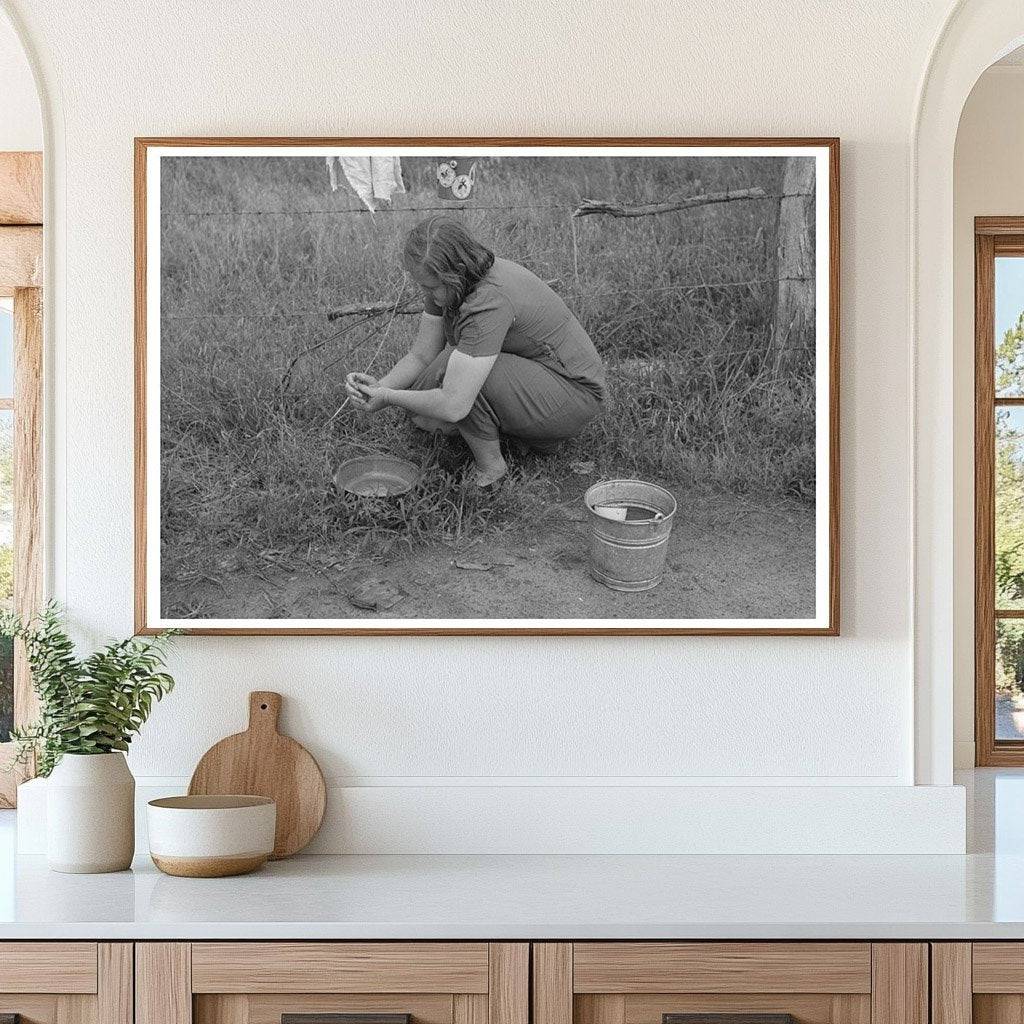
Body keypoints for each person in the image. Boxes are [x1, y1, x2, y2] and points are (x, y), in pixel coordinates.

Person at [346, 216, 605, 487]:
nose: (425, 292)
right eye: (421, 285)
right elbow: (421, 355)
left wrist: (389, 397)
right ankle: (519, 433)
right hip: (535, 376)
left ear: (455, 272)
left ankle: (490, 469)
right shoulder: (452, 282)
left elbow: (454, 404)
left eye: (430, 287)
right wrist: (380, 387)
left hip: (575, 394)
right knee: (422, 413)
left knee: (456, 387)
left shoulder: (488, 301)